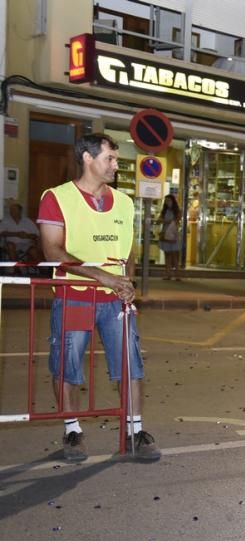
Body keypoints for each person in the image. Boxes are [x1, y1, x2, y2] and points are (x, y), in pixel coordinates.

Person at [37, 133, 160, 462]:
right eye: (110, 158)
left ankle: (135, 432)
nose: (116, 166)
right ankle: (73, 431)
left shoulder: (124, 202)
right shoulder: (56, 197)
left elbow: (127, 250)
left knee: (130, 366)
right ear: (88, 159)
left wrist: (126, 279)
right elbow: (53, 251)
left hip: (116, 301)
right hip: (75, 296)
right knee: (68, 367)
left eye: (117, 159)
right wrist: (103, 276)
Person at [0, 202, 42, 272]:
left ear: (20, 211)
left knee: (34, 251)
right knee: (11, 246)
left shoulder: (28, 221)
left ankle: (43, 269)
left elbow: (36, 234)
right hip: (11, 243)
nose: (11, 212)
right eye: (11, 210)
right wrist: (16, 234)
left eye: (14, 210)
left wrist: (27, 235)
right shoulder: (6, 220)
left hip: (25, 244)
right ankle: (17, 269)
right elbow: (1, 233)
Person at [157, 193, 182, 281]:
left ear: (173, 201)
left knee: (174, 256)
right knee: (167, 255)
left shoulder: (177, 210)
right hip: (165, 233)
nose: (167, 202)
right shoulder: (164, 210)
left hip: (173, 234)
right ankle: (168, 274)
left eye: (169, 200)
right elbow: (159, 220)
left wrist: (166, 221)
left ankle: (177, 275)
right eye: (166, 201)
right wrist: (167, 221)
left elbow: (177, 220)